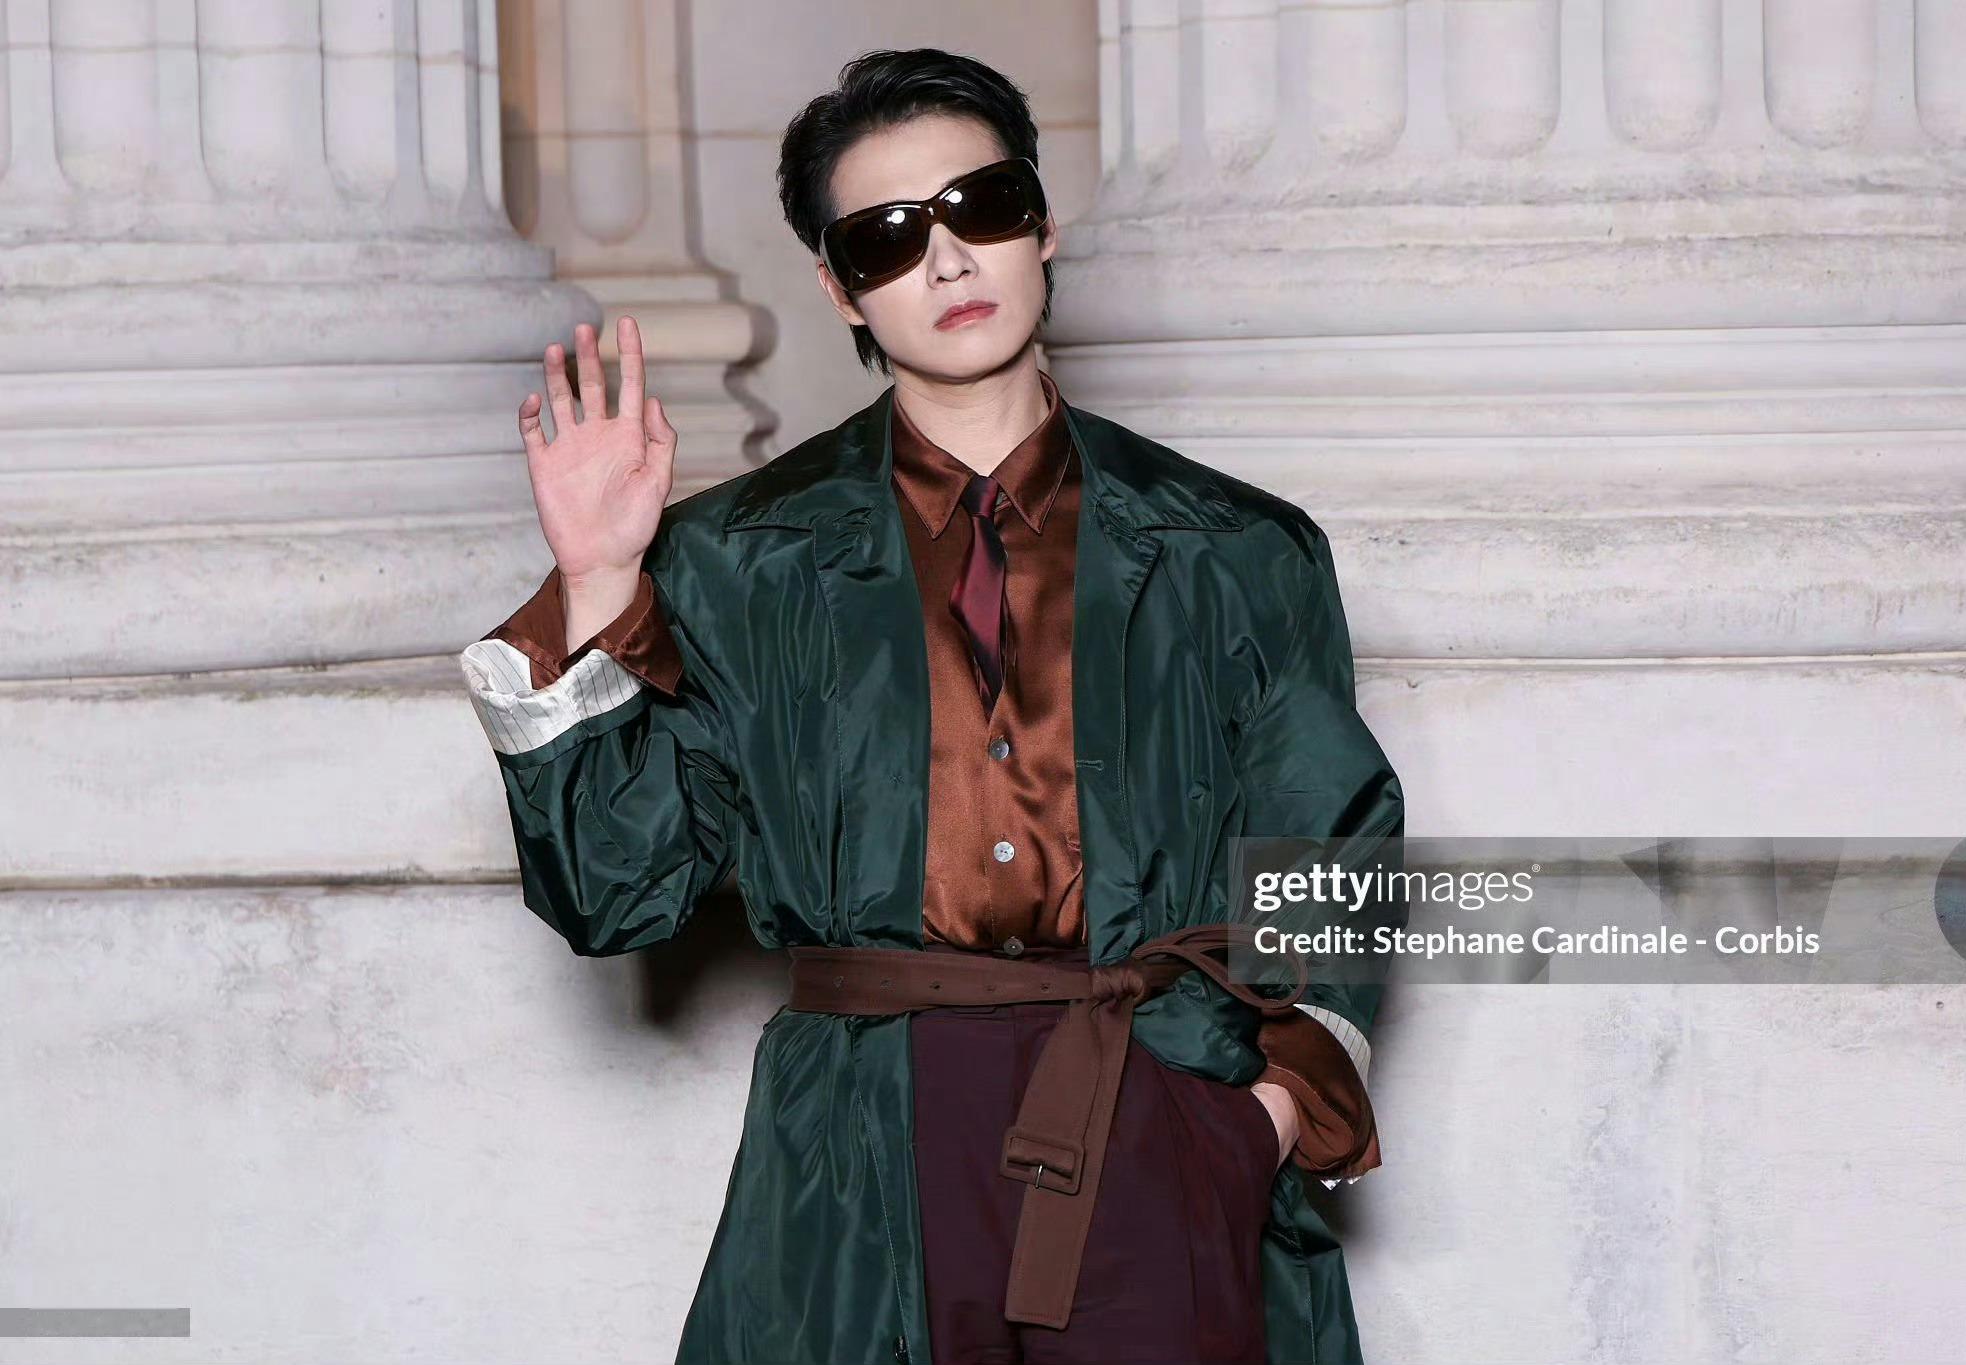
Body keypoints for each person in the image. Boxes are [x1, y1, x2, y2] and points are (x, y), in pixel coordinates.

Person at [459, 46, 1403, 1365]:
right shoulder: (740, 561)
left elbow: (1329, 849)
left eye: (984, 205)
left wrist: (1260, 1119)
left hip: (1155, 1104)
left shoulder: (1238, 549)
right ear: (839, 283)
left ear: (1044, 220)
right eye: (890, 236)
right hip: (862, 1151)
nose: (949, 260)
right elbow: (617, 894)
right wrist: (601, 579)